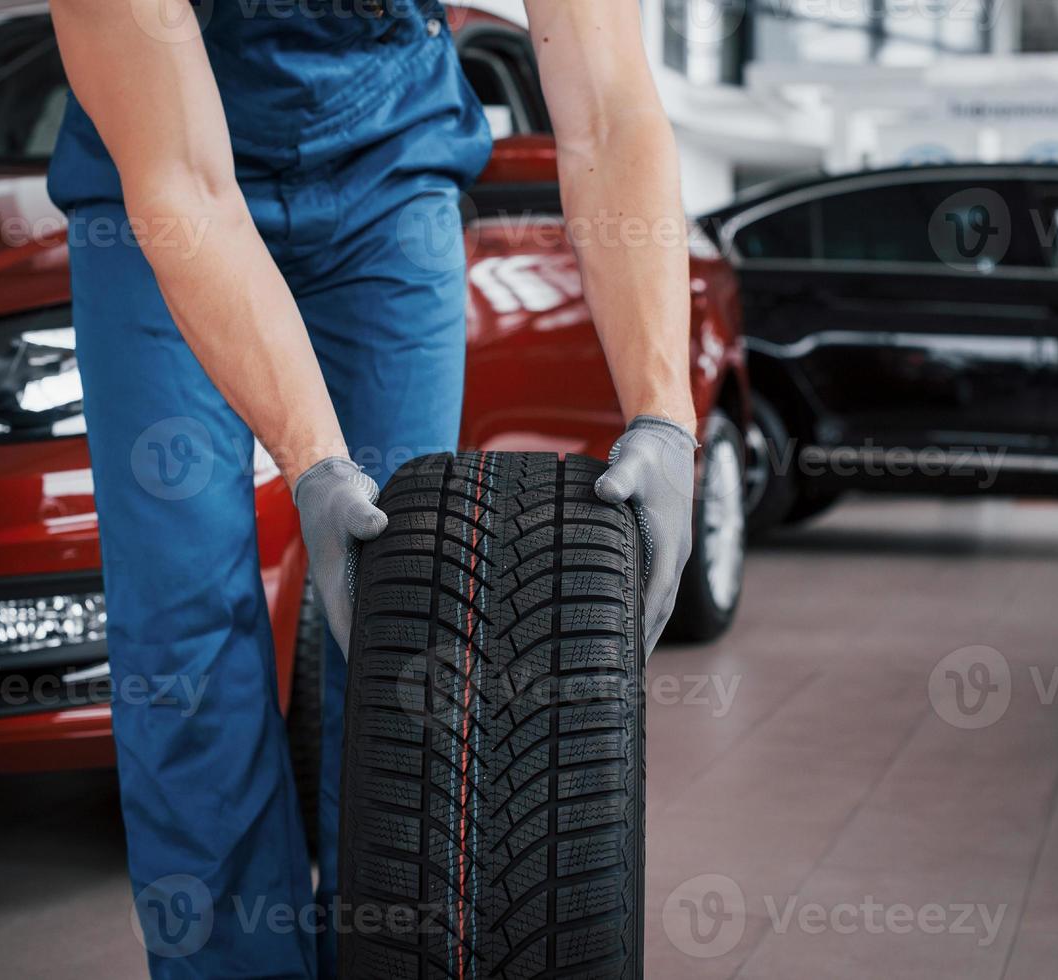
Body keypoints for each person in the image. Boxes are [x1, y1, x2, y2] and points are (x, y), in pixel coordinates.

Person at [45, 0, 697, 976]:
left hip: (389, 184)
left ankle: (394, 956)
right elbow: (184, 183)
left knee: (405, 602)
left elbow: (605, 105)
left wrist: (662, 413)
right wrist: (314, 459)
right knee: (183, 624)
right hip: (158, 197)